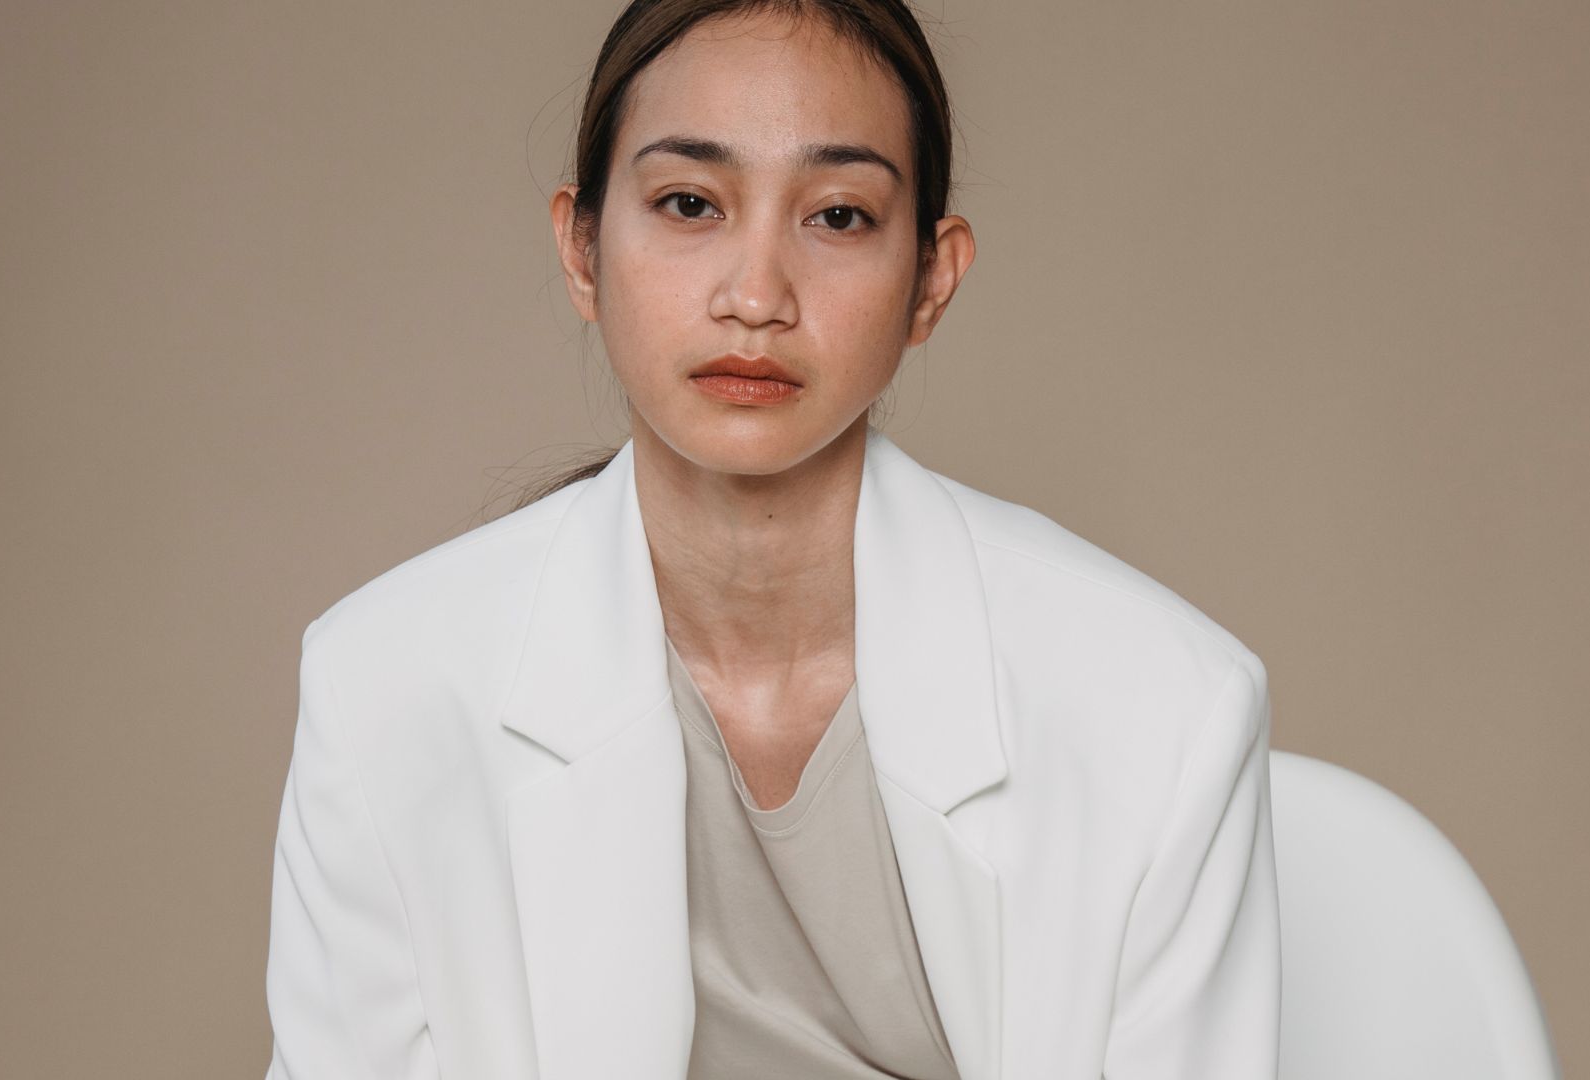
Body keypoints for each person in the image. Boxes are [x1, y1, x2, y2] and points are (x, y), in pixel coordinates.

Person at [261, 1, 1280, 1077]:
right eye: (690, 202)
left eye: (838, 216)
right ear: (581, 247)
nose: (756, 297)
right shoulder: (382, 688)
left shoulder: (1166, 708)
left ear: (932, 278)